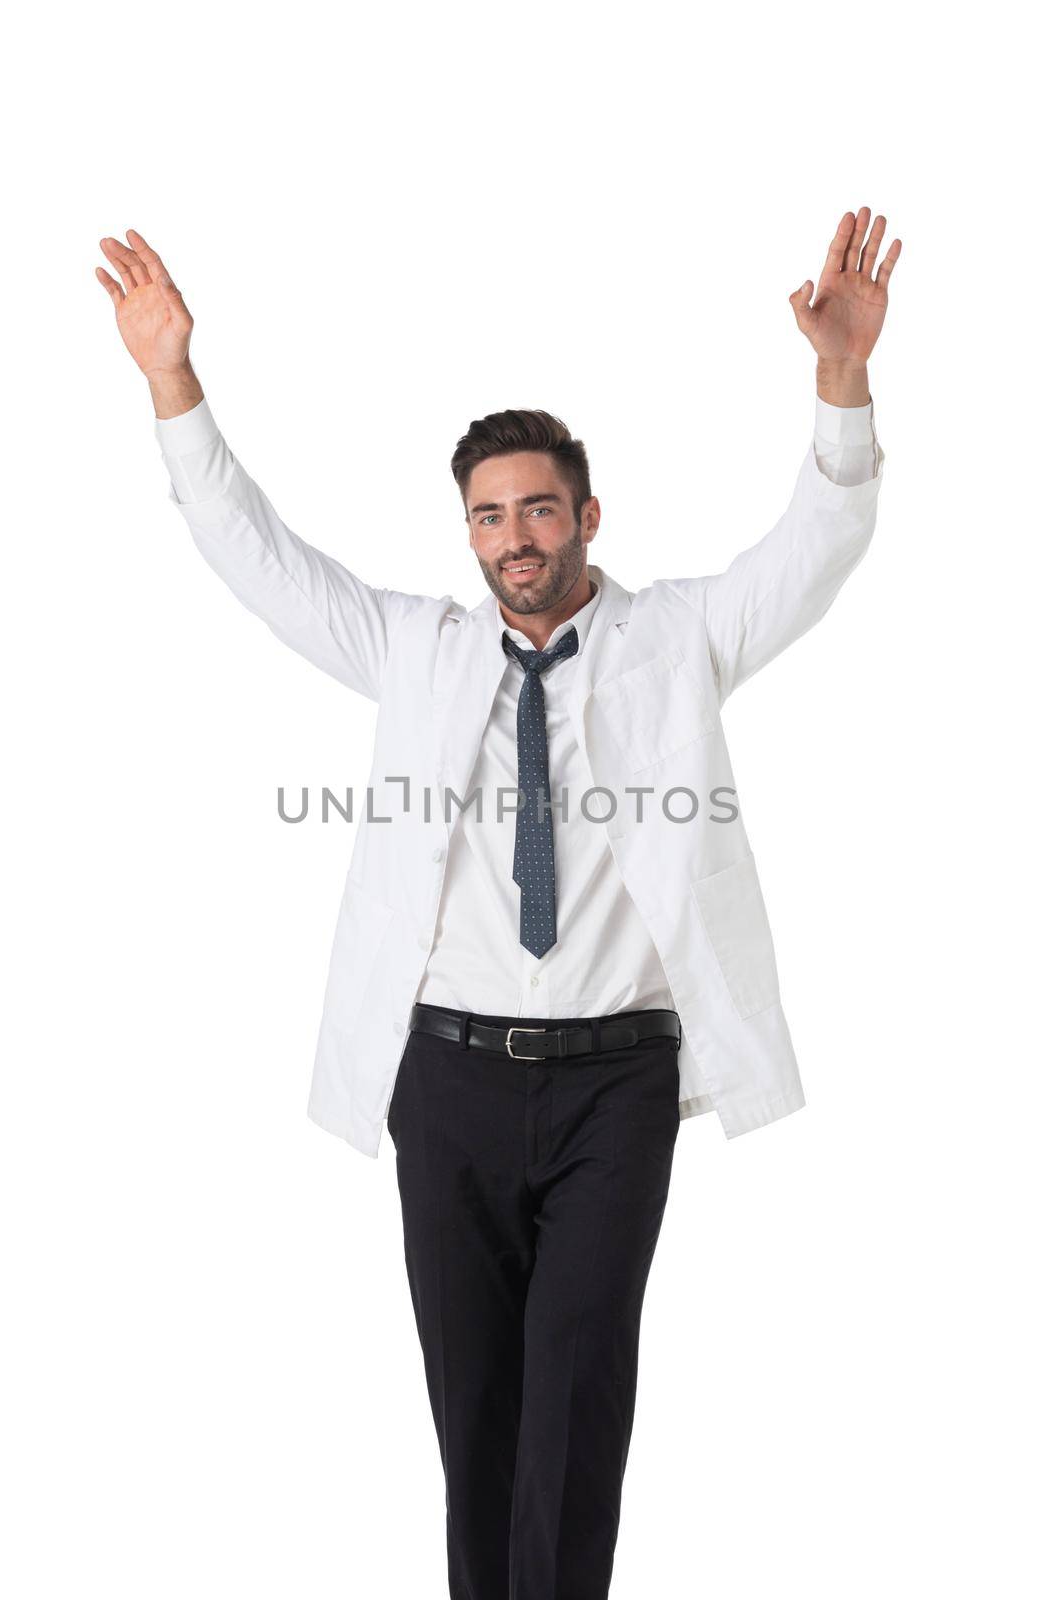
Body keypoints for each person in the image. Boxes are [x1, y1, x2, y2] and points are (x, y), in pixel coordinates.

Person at [97, 208, 900, 1600]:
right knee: (475, 1416)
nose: (514, 536)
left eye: (539, 507)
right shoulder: (415, 649)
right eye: (488, 514)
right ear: (466, 533)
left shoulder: (680, 636)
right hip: (449, 1080)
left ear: (588, 516)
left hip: (616, 1086)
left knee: (576, 1395)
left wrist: (842, 379)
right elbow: (254, 554)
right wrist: (173, 379)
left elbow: (819, 545)